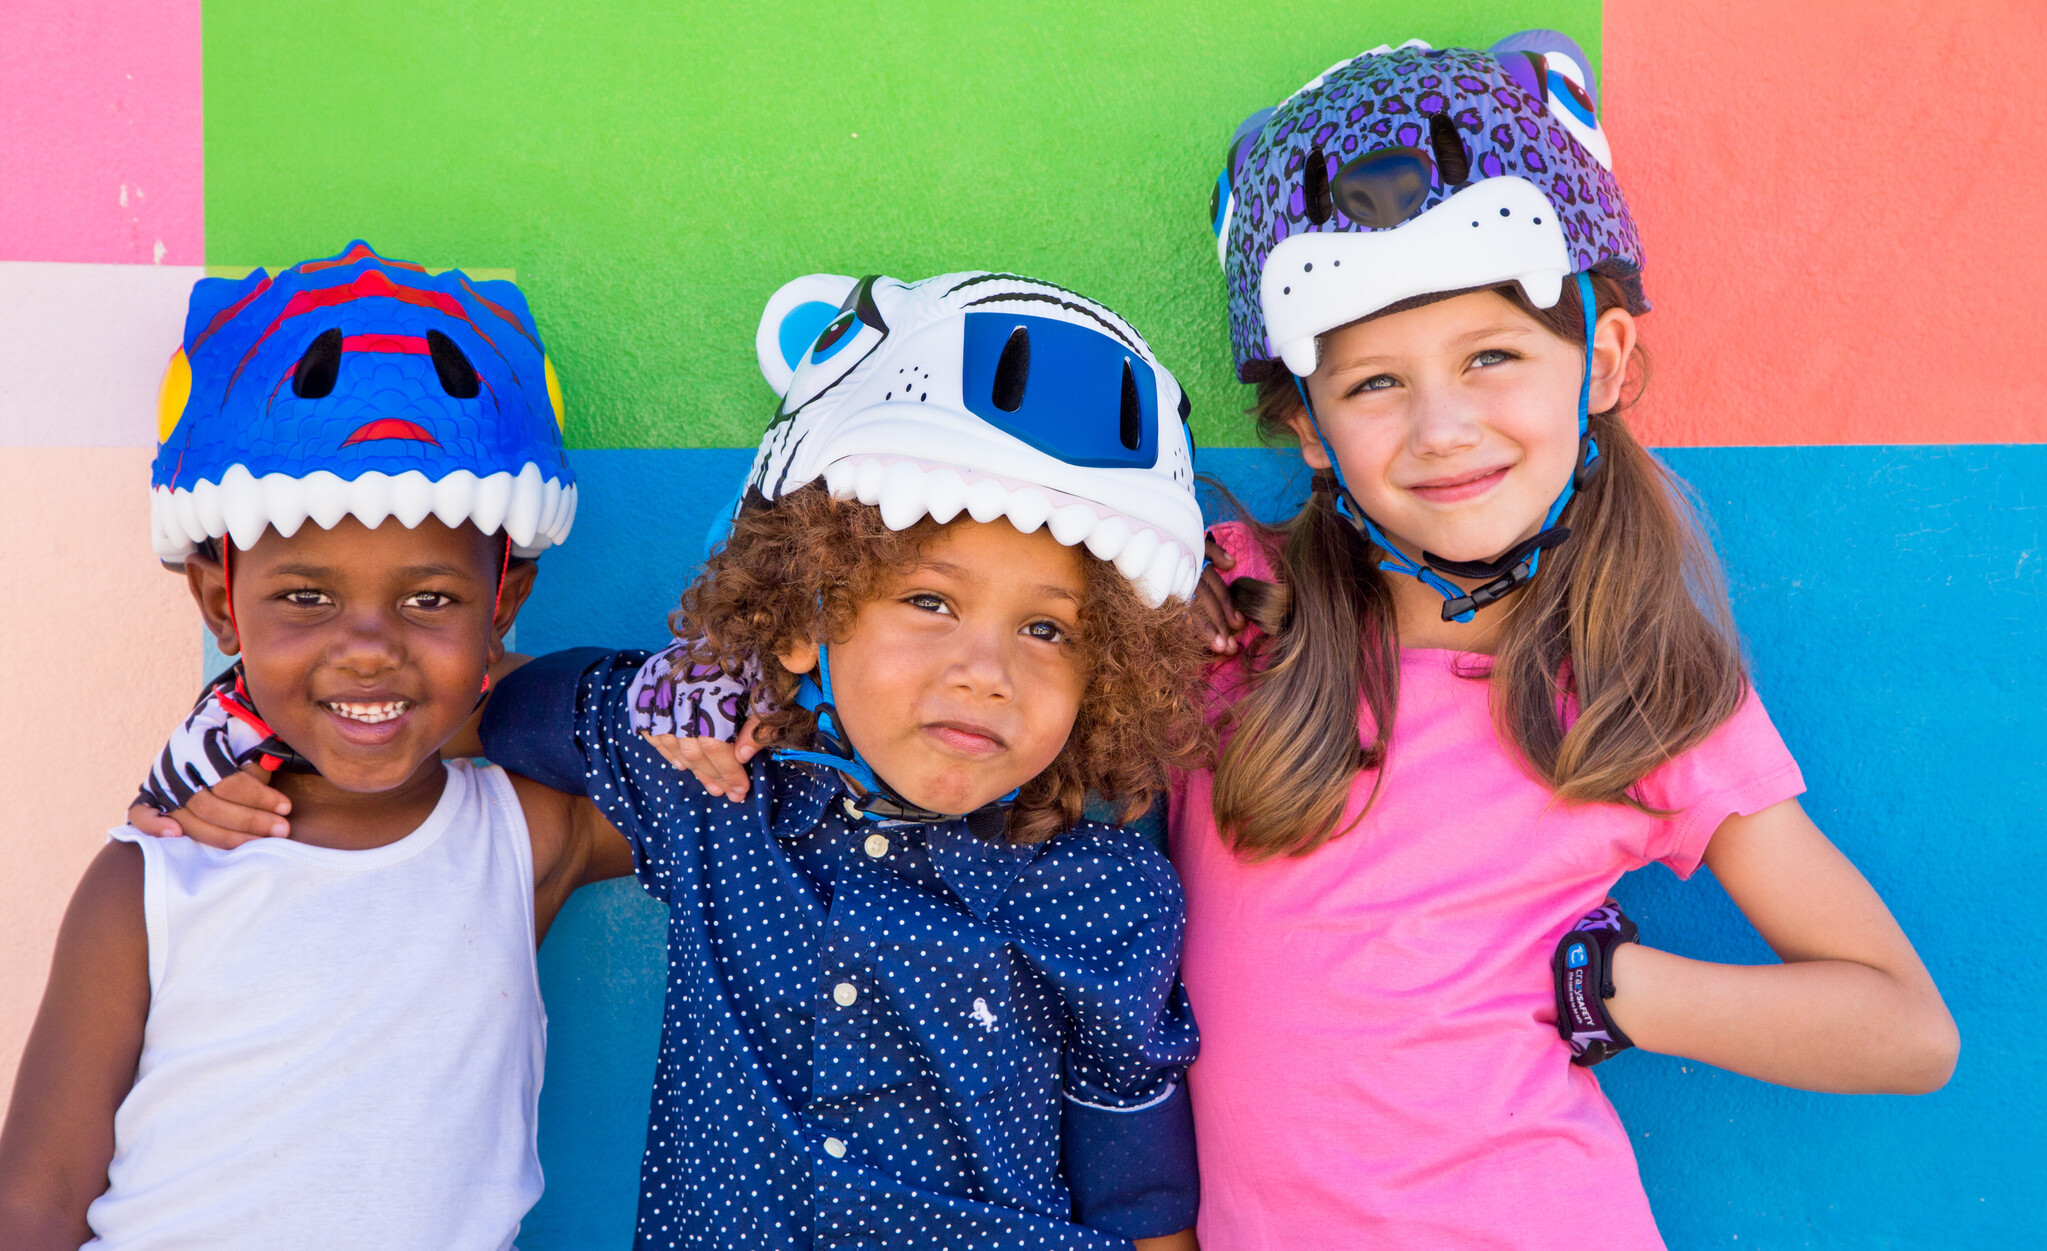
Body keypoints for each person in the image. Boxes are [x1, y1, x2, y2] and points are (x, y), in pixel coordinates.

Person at [105, 270, 1214, 1249]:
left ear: (1107, 670)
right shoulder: (709, 781)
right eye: (929, 601)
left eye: (1047, 629)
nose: (985, 673)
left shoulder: (1105, 890)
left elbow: (1140, 1188)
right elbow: (461, 693)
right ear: (804, 617)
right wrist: (238, 726)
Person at [1174, 32, 1960, 1250]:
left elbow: (1905, 1031)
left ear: (1601, 362)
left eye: (1491, 357)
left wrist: (1610, 988)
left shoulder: (1641, 690)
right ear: (1311, 429)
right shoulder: (1231, 614)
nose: (1442, 428)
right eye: (1374, 383)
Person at [0, 243, 631, 1251]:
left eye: (431, 600)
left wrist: (437, 697)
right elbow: (34, 1200)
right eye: (305, 596)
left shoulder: (525, 833)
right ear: (221, 602)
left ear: (503, 602)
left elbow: (673, 737)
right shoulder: (155, 874)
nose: (368, 649)